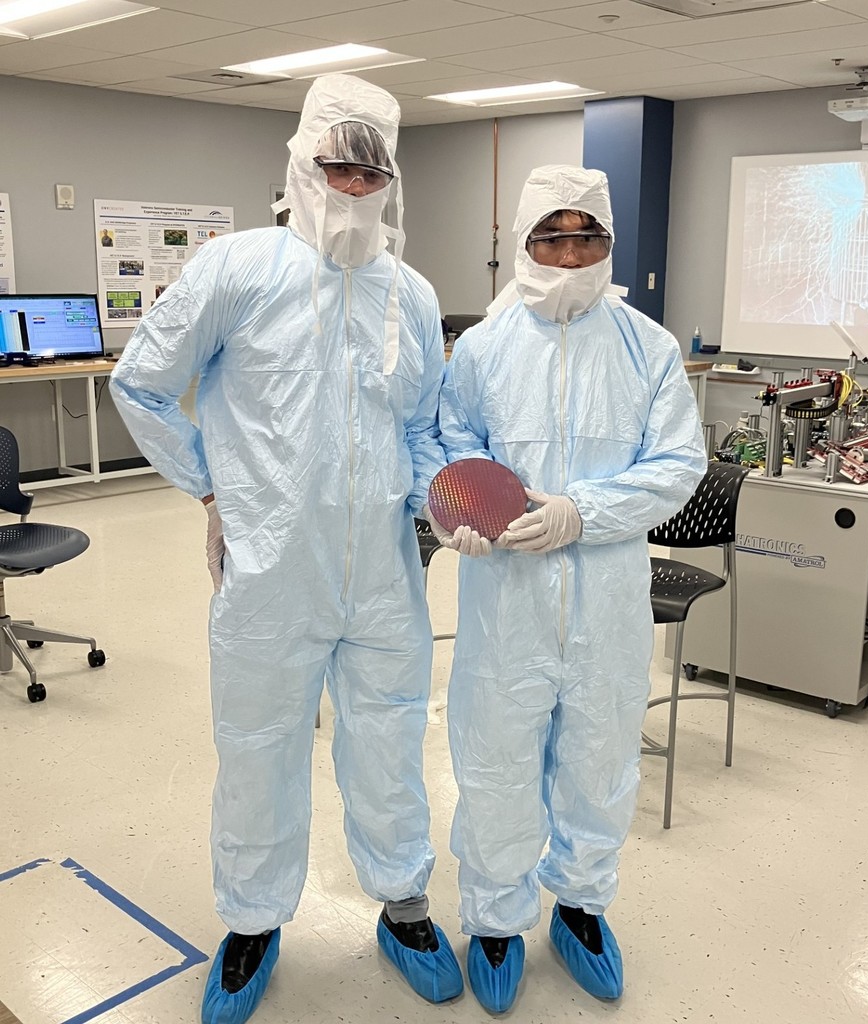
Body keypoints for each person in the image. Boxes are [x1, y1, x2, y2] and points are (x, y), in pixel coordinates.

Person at [111, 74, 463, 1024]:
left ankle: (404, 906)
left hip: (387, 572)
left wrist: (444, 495)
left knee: (388, 742)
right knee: (259, 749)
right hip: (269, 571)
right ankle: (254, 923)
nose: (352, 186)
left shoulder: (413, 293)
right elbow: (141, 383)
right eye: (336, 166)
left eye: (369, 170)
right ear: (301, 166)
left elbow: (424, 424)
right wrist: (211, 486)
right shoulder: (238, 268)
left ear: (390, 181)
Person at [431, 165, 707, 1013]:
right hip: (505, 597)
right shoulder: (481, 347)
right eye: (551, 235)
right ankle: (496, 920)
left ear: (608, 245)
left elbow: (677, 465)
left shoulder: (647, 347)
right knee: (497, 759)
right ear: (522, 242)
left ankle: (582, 909)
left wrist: (582, 513)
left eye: (587, 235)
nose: (569, 251)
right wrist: (460, 515)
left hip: (607, 597)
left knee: (598, 757)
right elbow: (451, 445)